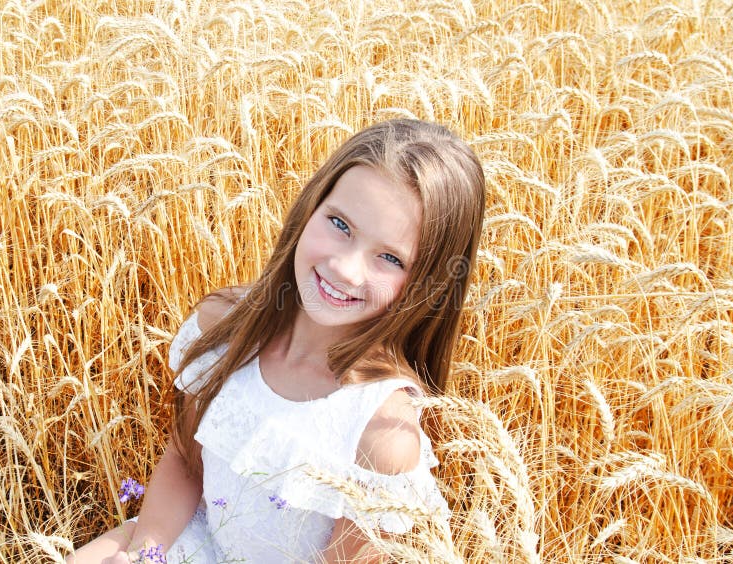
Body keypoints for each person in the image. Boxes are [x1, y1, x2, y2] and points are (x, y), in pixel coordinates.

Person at [68, 119, 486, 563]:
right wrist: (143, 554)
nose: (345, 269)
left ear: (427, 281)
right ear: (311, 207)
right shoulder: (225, 326)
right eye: (340, 224)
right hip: (190, 535)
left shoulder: (381, 432)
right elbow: (184, 461)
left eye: (389, 257)